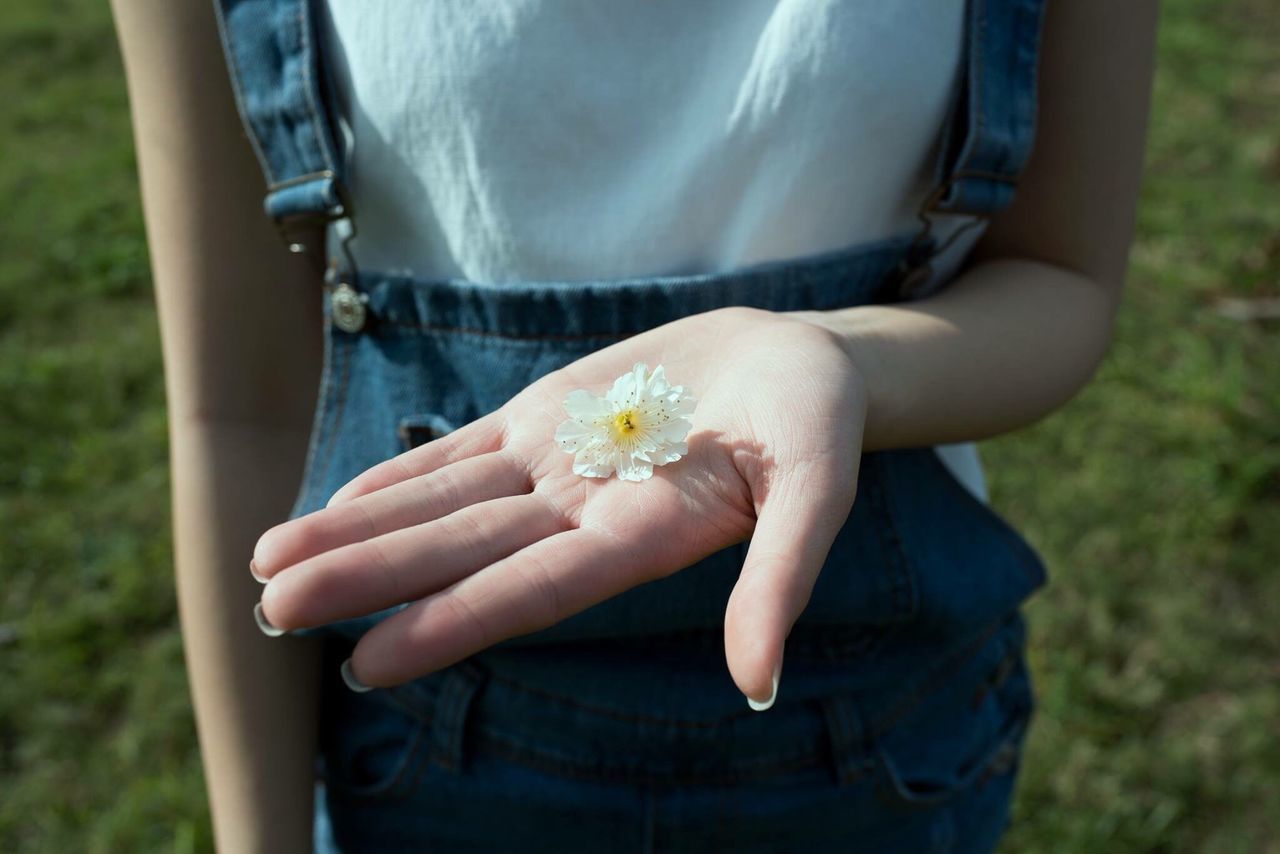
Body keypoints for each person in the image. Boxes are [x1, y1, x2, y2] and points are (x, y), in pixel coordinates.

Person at [111, 1, 1156, 850]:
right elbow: (238, 406)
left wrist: (839, 359)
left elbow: (1060, 271)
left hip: (887, 748)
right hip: (418, 759)